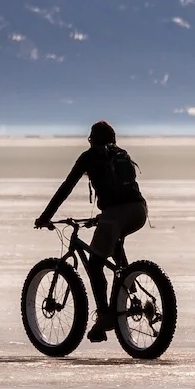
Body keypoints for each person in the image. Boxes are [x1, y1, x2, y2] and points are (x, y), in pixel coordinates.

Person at [35, 121, 147, 341]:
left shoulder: (89, 157)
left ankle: (105, 316)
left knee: (95, 264)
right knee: (114, 247)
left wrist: (45, 217)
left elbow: (66, 188)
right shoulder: (121, 154)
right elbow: (124, 194)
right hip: (139, 211)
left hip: (115, 214)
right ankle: (128, 286)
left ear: (91, 139)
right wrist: (103, 217)